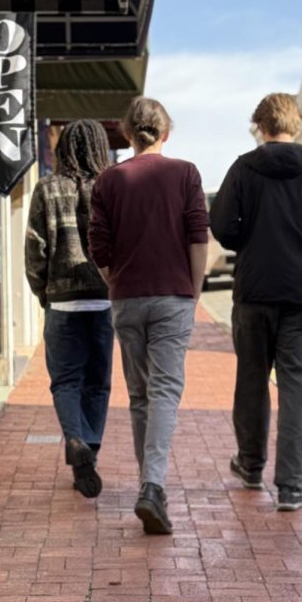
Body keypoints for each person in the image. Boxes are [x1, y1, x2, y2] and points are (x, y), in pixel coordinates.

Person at [210, 93, 302, 511]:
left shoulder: (243, 169)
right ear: (296, 124)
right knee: (297, 394)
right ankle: (291, 487)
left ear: (260, 126)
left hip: (253, 294)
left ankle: (250, 466)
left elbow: (223, 229)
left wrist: (252, 237)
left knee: (251, 383)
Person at [89, 97, 209, 535]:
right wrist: (194, 290)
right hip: (172, 296)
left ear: (126, 133)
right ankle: (153, 486)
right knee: (164, 394)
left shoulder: (109, 180)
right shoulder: (185, 173)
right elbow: (199, 235)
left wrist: (114, 280)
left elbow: (98, 245)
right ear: (166, 133)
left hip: (127, 297)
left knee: (140, 396)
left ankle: (149, 486)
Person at [25, 119, 114, 498]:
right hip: (104, 299)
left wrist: (44, 292)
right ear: (100, 148)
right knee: (98, 383)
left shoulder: (45, 189)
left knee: (66, 381)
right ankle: (86, 451)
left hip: (62, 302)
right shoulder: (111, 189)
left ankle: (75, 439)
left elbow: (35, 249)